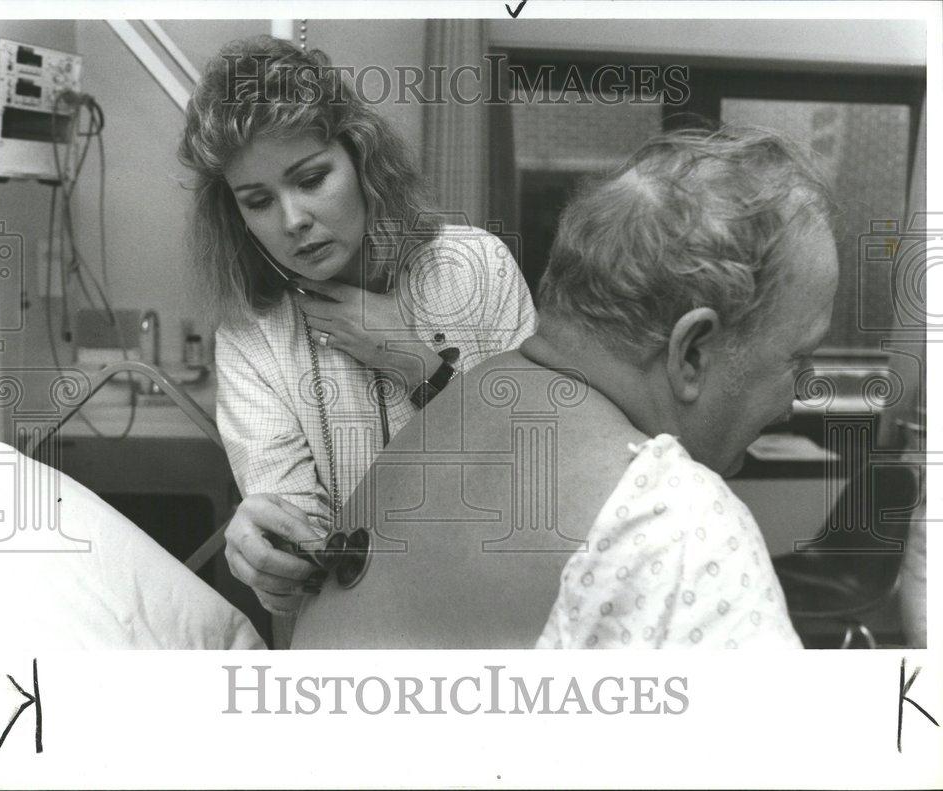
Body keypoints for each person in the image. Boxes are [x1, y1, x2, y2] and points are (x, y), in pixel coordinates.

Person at [292, 126, 838, 649]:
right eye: (798, 357)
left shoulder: (464, 399)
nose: (800, 395)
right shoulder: (674, 527)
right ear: (691, 352)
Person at [176, 36, 536, 640]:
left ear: (362, 159)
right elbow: (290, 522)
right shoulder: (251, 334)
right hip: (350, 642)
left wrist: (417, 365)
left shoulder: (479, 269)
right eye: (258, 200)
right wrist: (271, 560)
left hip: (495, 624)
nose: (292, 220)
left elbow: (538, 477)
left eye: (312, 178)